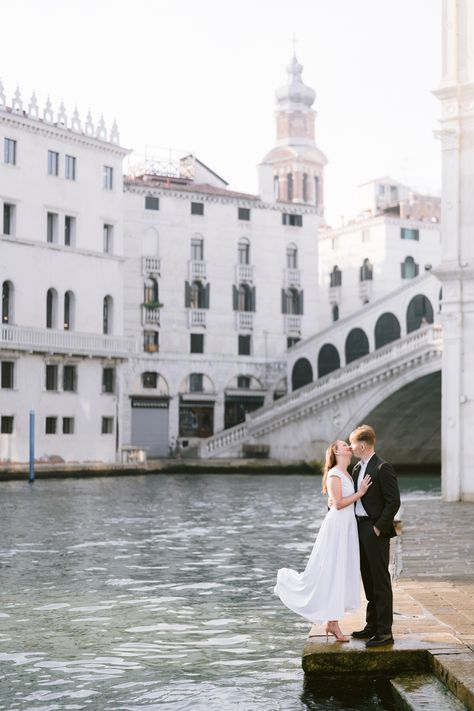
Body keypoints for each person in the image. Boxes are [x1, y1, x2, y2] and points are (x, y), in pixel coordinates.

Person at [274, 440, 372, 642]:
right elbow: (337, 504)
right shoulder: (335, 474)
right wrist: (360, 492)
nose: (348, 446)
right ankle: (332, 623)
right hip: (337, 527)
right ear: (336, 452)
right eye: (344, 445)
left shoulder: (348, 472)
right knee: (332, 570)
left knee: (341, 571)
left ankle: (332, 622)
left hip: (347, 526)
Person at [349, 424, 401, 648]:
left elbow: (393, 501)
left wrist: (378, 528)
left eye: (352, 444)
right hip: (359, 528)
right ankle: (371, 625)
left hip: (374, 530)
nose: (351, 448)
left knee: (380, 580)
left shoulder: (382, 468)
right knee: (368, 579)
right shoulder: (356, 469)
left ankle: (384, 632)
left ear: (362, 445)